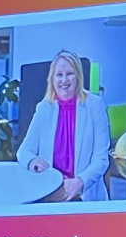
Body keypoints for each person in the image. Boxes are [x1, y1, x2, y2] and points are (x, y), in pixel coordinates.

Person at [16, 51, 110, 202]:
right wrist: (32, 161)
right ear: (52, 79)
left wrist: (79, 182)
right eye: (59, 74)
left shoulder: (95, 105)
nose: (64, 80)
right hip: (52, 195)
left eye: (70, 73)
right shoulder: (44, 108)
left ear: (78, 76)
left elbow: (101, 159)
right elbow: (24, 151)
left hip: (85, 195)